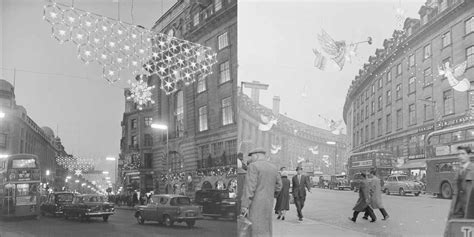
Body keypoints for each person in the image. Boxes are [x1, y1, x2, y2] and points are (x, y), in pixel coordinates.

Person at [241, 148, 282, 237]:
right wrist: (272, 194)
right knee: (266, 227)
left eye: (251, 156)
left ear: (256, 155)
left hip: (256, 203)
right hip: (268, 202)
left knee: (256, 227)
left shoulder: (253, 166)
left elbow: (250, 187)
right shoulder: (273, 167)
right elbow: (279, 186)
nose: (250, 159)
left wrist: (245, 205)